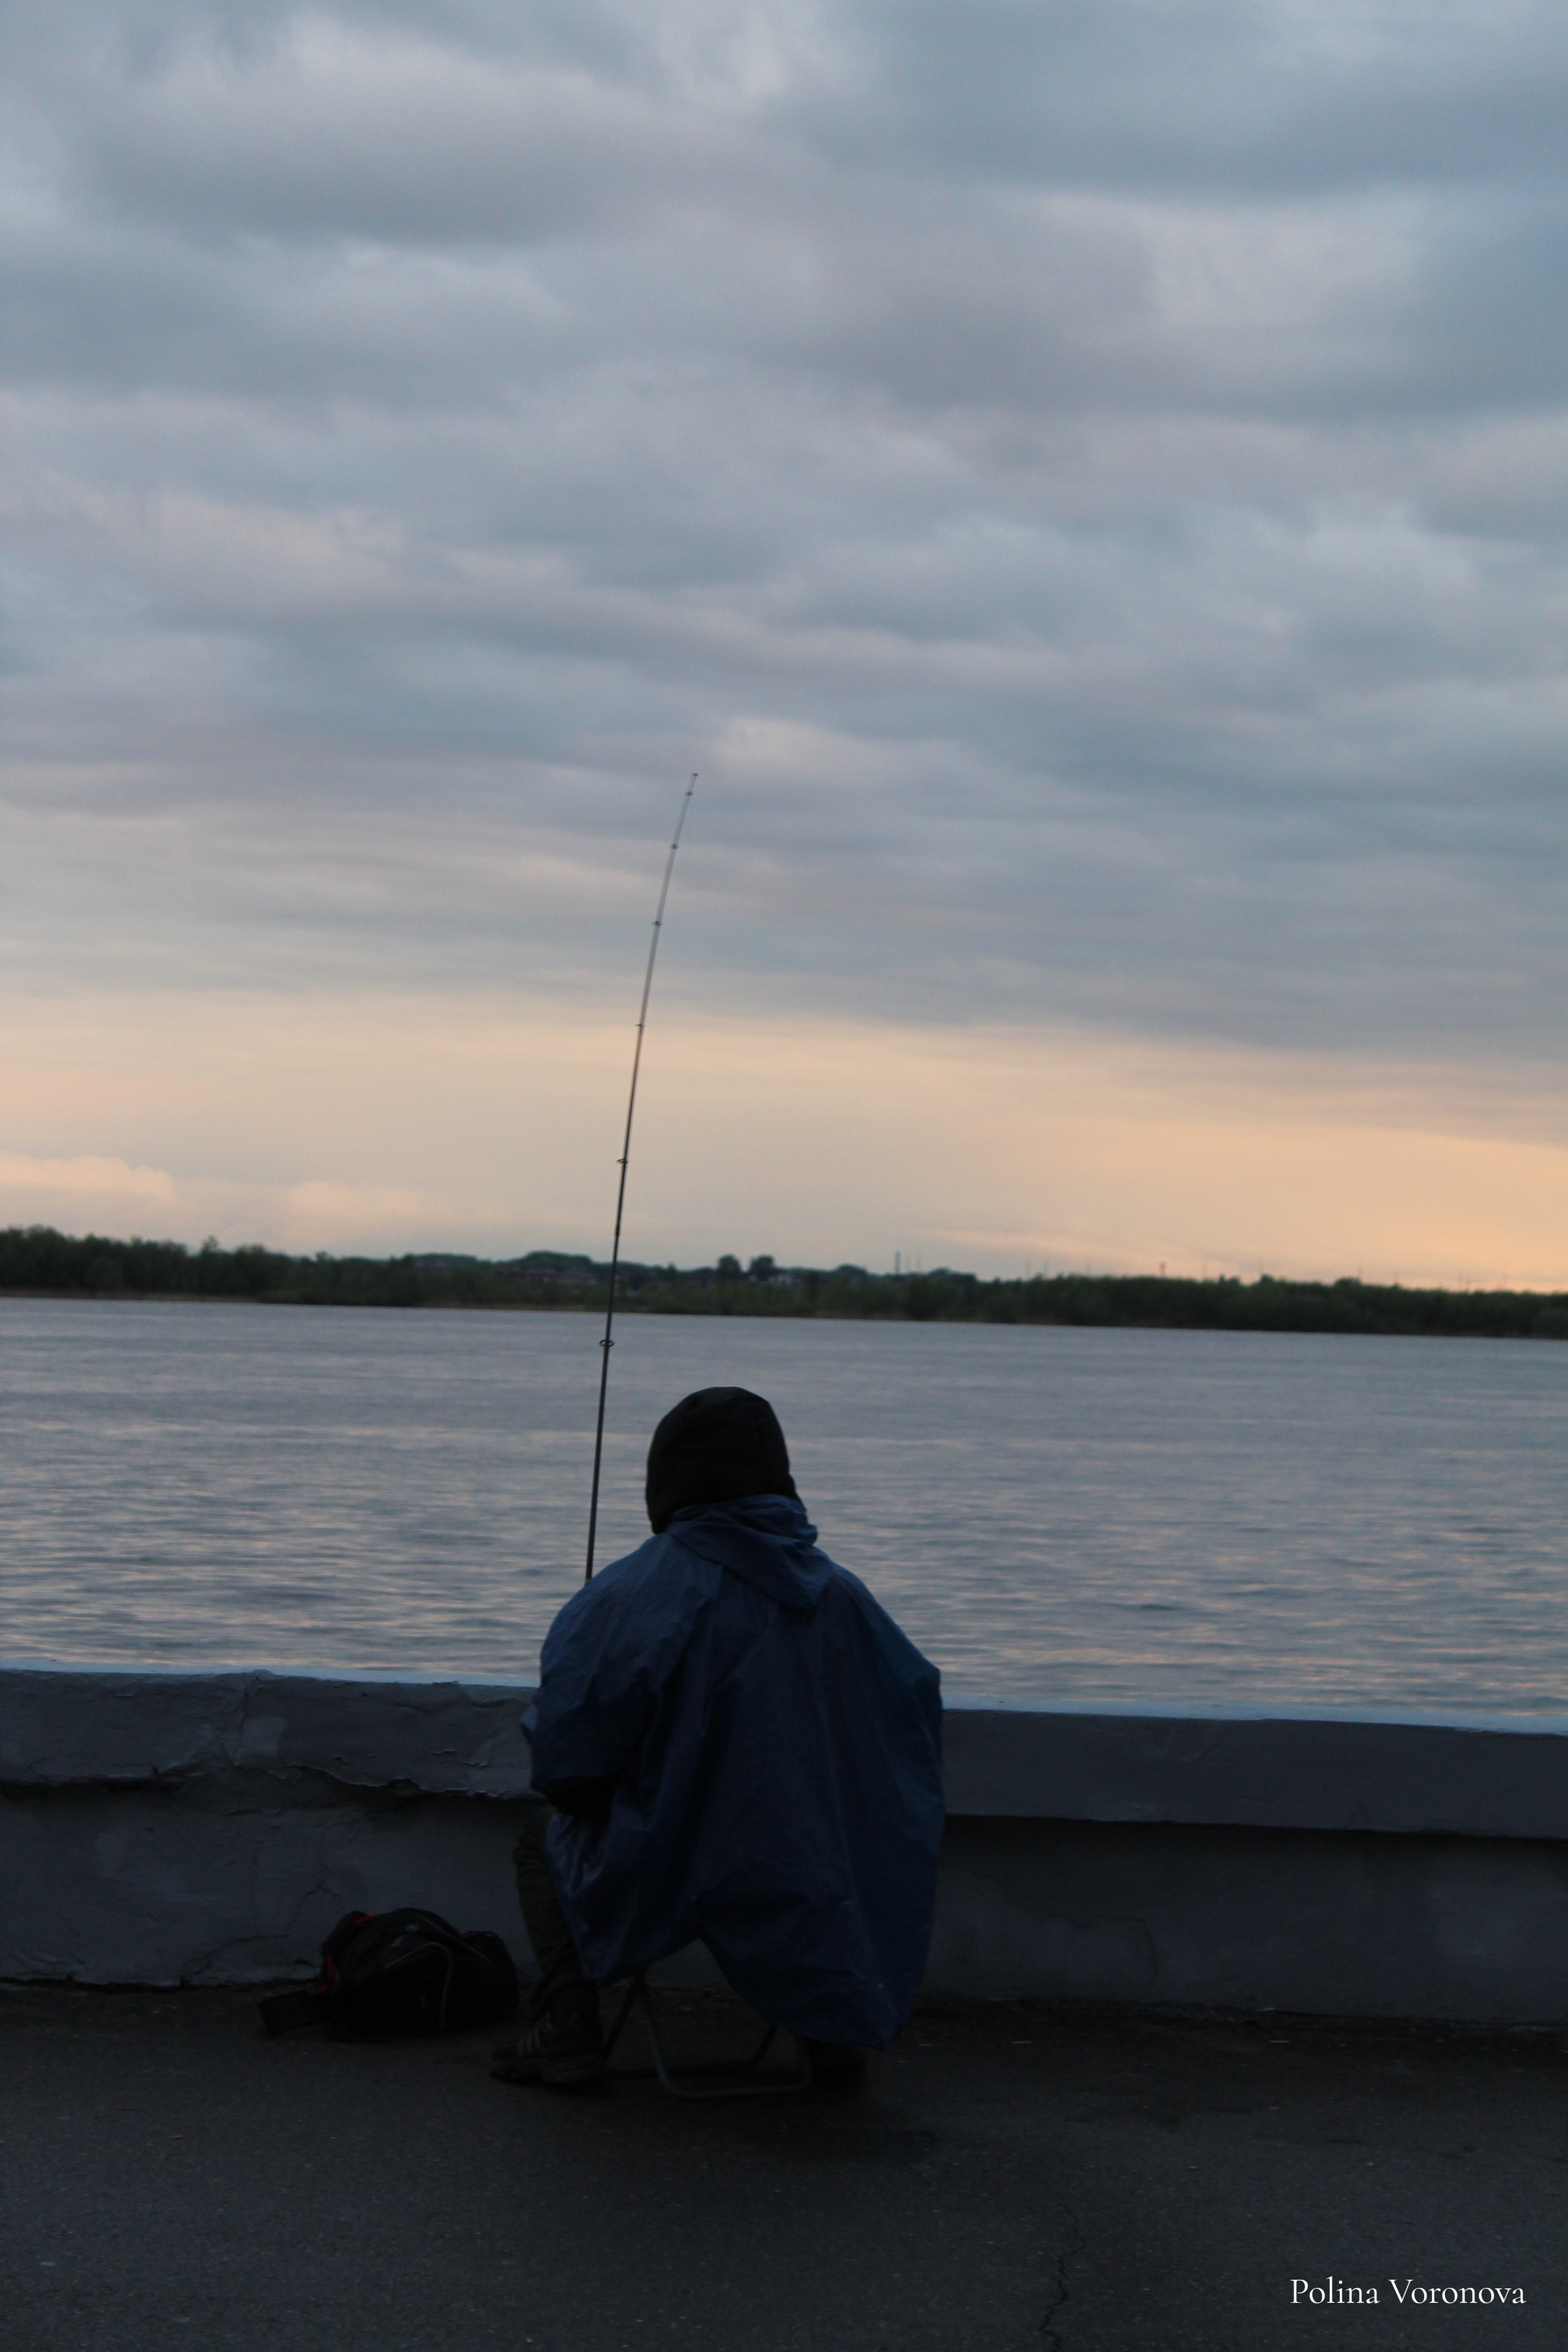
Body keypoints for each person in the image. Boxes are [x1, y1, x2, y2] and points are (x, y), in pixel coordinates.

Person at [492, 1385, 944, 2090]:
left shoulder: (627, 1595)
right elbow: (908, 1730)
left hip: (673, 1865)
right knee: (824, 1843)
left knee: (539, 1836)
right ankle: (830, 2037)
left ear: (666, 1476)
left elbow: (569, 1772)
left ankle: (566, 2032)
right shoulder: (845, 1595)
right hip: (813, 1868)